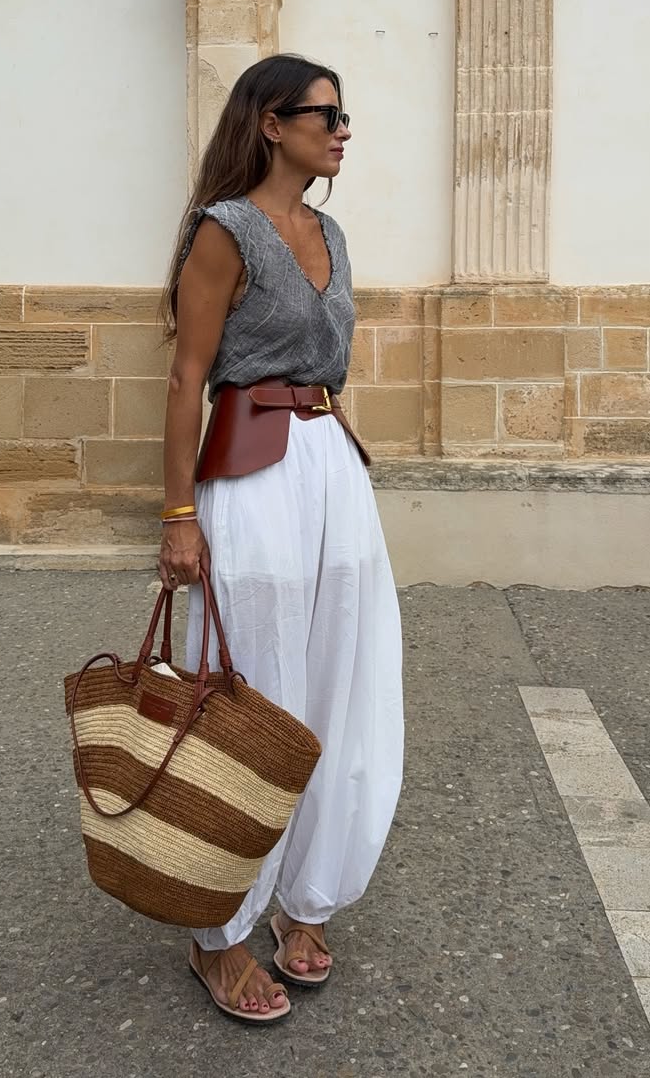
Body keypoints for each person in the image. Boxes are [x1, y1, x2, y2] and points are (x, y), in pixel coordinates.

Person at [158, 54, 405, 1025]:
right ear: (270, 123)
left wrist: (334, 436)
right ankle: (218, 932)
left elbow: (325, 357)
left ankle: (306, 898)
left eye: (347, 115)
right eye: (325, 114)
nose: (343, 129)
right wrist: (178, 515)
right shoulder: (227, 232)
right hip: (251, 472)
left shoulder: (331, 230)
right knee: (246, 692)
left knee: (343, 681)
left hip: (330, 468)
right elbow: (187, 377)